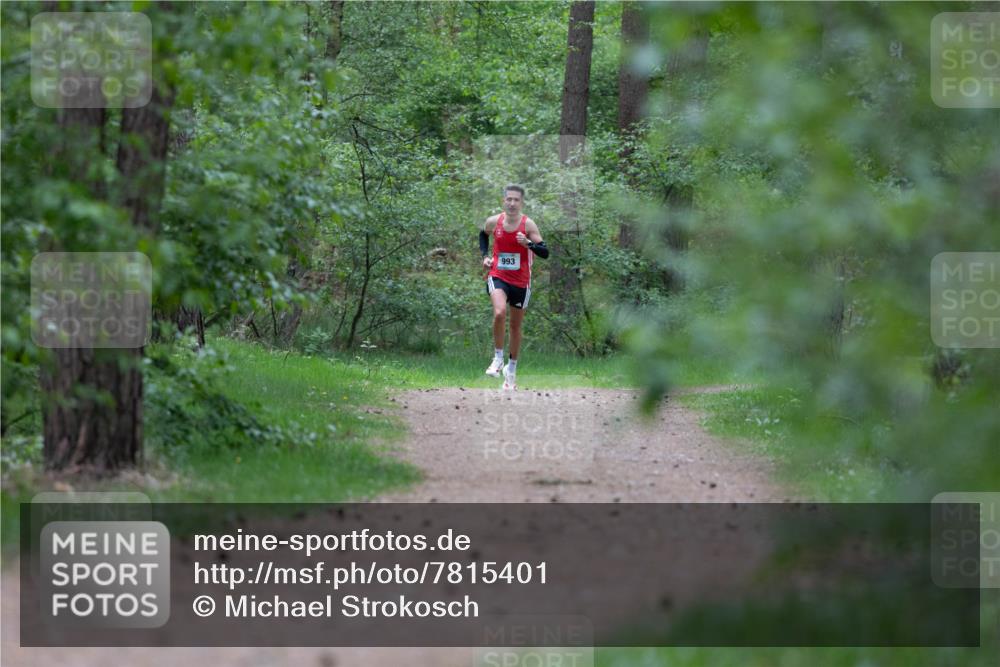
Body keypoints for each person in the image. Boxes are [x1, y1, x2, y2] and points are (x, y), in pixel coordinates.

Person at [479, 185, 549, 390]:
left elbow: (545, 252)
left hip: (521, 281)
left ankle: (512, 371)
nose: (512, 203)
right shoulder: (494, 221)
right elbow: (483, 235)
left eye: (516, 200)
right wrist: (485, 257)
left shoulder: (528, 225)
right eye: (509, 199)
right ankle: (498, 358)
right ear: (504, 201)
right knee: (499, 312)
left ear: (521, 202)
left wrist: (528, 243)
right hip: (498, 275)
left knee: (516, 327)